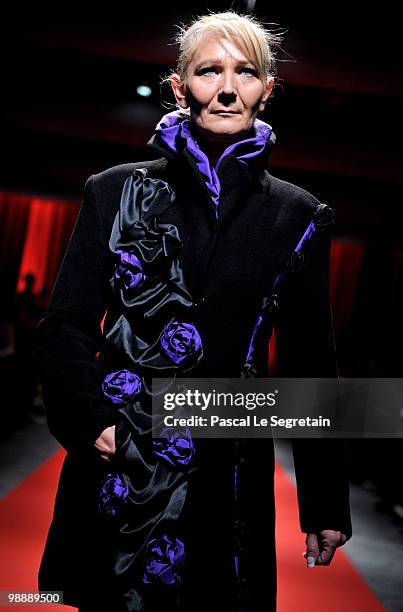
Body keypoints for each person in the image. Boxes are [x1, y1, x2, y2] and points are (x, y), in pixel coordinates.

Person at [34, 11, 352, 612]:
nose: (228, 87)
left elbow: (313, 363)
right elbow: (66, 325)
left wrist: (325, 503)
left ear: (267, 88)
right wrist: (89, 419)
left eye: (246, 72)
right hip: (120, 460)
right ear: (180, 87)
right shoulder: (112, 191)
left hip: (226, 473)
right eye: (210, 70)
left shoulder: (299, 216)